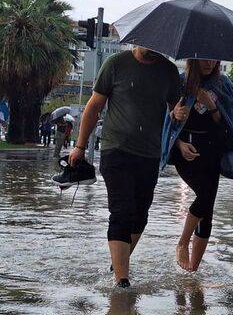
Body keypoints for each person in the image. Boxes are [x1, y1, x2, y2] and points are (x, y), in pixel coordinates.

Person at [67, 46, 184, 288]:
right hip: (116, 150)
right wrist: (79, 146)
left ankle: (117, 263)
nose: (150, 49)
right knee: (122, 211)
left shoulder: (169, 71)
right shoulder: (115, 64)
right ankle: (122, 282)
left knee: (140, 216)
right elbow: (93, 106)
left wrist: (180, 114)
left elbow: (175, 111)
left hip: (150, 154)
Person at [160, 59, 233, 273]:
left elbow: (229, 129)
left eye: (214, 59)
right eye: (205, 58)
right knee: (203, 196)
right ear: (193, 59)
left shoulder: (225, 86)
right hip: (186, 152)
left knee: (207, 210)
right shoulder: (180, 84)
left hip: (213, 153)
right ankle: (183, 243)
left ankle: (192, 271)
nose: (209, 63)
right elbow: (166, 122)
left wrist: (211, 106)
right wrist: (177, 130)